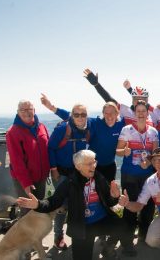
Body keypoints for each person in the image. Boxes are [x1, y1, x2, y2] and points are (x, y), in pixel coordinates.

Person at [17, 150, 124, 260]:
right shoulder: (70, 182)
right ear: (78, 167)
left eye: (94, 162)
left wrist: (115, 197)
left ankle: (108, 249)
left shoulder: (98, 177)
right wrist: (38, 204)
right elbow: (53, 202)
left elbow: (110, 201)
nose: (94, 166)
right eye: (89, 164)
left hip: (101, 220)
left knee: (122, 225)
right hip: (82, 226)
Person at [41, 95, 124, 182]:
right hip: (82, 167)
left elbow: (135, 117)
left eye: (83, 115)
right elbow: (71, 116)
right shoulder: (95, 123)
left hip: (101, 166)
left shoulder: (120, 123)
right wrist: (51, 107)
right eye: (106, 113)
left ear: (117, 113)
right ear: (103, 114)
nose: (109, 116)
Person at [115, 100, 159, 255]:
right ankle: (127, 243)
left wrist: (149, 162)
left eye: (143, 111)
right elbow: (118, 150)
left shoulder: (153, 131)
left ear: (148, 113)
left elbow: (155, 154)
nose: (141, 113)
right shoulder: (127, 129)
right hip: (130, 175)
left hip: (147, 175)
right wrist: (124, 152)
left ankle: (143, 235)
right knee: (130, 208)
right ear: (134, 113)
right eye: (138, 111)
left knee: (147, 207)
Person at [48, 103, 91, 250]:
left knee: (79, 203)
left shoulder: (88, 127)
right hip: (62, 172)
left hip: (79, 173)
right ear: (72, 115)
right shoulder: (62, 129)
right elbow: (51, 148)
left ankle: (78, 235)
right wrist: (53, 169)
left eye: (83, 114)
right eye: (76, 114)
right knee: (62, 206)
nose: (80, 117)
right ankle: (58, 237)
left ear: (87, 116)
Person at [6, 100, 50, 216]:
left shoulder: (41, 127)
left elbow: (48, 148)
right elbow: (16, 161)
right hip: (25, 179)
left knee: (39, 210)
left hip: (41, 177)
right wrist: (26, 183)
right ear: (18, 112)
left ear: (34, 110)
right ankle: (23, 234)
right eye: (23, 110)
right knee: (28, 214)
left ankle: (36, 235)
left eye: (29, 109)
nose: (26, 112)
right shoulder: (13, 132)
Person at [83, 68, 152, 125]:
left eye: (143, 100)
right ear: (132, 101)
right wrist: (96, 85)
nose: (139, 102)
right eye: (136, 99)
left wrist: (129, 89)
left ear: (147, 101)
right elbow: (109, 99)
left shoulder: (153, 114)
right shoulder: (126, 111)